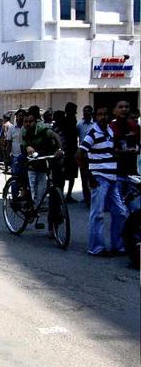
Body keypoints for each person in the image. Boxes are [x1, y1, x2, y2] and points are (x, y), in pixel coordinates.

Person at [76, 106, 129, 256]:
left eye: (105, 114)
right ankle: (96, 248)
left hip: (112, 178)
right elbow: (79, 155)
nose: (103, 117)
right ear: (95, 117)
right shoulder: (92, 133)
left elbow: (110, 150)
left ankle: (117, 246)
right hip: (99, 178)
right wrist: (90, 177)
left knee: (120, 212)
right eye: (100, 114)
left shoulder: (110, 131)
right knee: (97, 213)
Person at [21, 111, 64, 212]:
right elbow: (24, 145)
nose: (28, 124)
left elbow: (56, 137)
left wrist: (60, 150)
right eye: (25, 121)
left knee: (51, 182)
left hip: (49, 154)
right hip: (34, 157)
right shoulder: (23, 131)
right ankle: (26, 198)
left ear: (35, 122)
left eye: (30, 121)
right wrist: (28, 147)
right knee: (29, 182)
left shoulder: (43, 129)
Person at [109, 101, 140, 198]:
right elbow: (108, 149)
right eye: (120, 107)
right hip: (115, 172)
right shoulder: (110, 127)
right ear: (114, 111)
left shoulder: (135, 127)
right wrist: (122, 152)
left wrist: (136, 149)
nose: (124, 109)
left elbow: (139, 144)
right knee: (118, 205)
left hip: (132, 172)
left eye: (126, 107)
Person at [62, 102, 80, 203]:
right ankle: (66, 194)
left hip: (71, 150)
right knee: (67, 174)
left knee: (71, 174)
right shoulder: (67, 121)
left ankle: (68, 194)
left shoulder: (73, 120)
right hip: (68, 150)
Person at [77, 105, 95, 204]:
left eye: (88, 111)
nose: (86, 113)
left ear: (92, 113)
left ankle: (93, 196)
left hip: (92, 154)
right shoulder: (79, 125)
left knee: (92, 176)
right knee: (84, 177)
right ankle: (86, 197)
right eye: (85, 111)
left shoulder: (95, 125)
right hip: (82, 154)